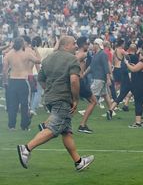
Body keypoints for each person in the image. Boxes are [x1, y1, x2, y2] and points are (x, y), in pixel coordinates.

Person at [16, 36, 94, 171]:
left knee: (66, 131)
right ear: (66, 45)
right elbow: (74, 81)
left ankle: (79, 162)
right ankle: (27, 148)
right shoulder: (72, 60)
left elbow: (41, 78)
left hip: (51, 98)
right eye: (73, 44)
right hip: (63, 98)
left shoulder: (48, 59)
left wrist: (50, 90)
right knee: (53, 129)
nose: (76, 46)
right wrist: (75, 99)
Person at [3, 37, 41, 130]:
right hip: (23, 80)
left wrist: (5, 81)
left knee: (12, 105)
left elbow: (4, 70)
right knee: (25, 105)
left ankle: (11, 126)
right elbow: (38, 60)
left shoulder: (8, 54)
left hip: (12, 80)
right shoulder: (27, 54)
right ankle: (24, 126)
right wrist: (35, 49)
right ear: (22, 44)